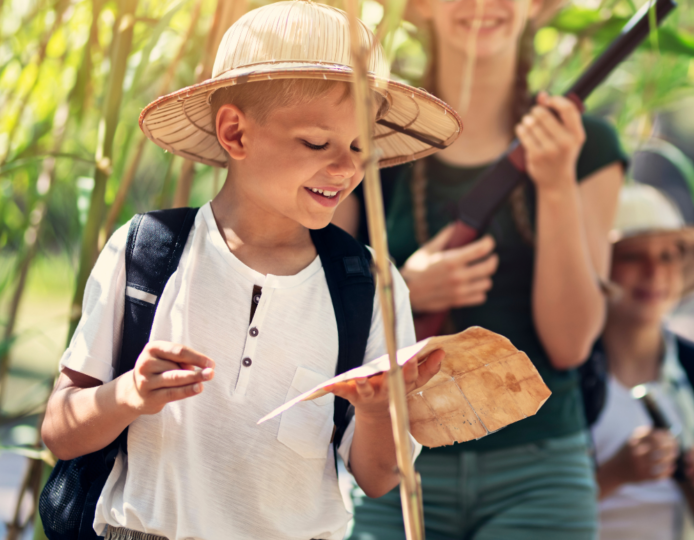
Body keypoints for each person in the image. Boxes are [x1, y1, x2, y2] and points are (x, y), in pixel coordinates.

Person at [39, 2, 461, 538]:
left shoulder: (368, 286)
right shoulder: (147, 252)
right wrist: (130, 394)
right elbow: (59, 430)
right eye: (316, 142)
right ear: (235, 133)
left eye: (360, 147)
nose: (346, 166)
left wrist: (378, 412)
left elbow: (380, 479)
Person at [337, 0, 626, 536]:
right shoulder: (362, 134)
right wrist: (407, 289)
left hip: (541, 475)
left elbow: (570, 344)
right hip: (389, 462)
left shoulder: (588, 146)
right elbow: (316, 303)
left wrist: (557, 182)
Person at [587, 182, 694, 540]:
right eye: (632, 256)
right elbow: (532, 514)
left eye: (667, 256)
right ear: (601, 264)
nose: (653, 271)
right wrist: (616, 473)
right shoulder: (562, 381)